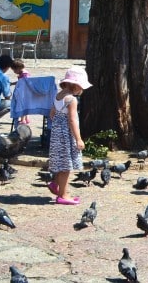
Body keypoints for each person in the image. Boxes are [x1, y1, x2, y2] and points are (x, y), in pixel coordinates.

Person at [47, 66, 90, 205]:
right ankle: (63, 195)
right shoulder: (71, 100)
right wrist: (78, 139)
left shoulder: (58, 95)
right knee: (66, 166)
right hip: (66, 136)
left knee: (60, 162)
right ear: (75, 85)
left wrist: (57, 125)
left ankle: (55, 184)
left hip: (56, 135)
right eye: (81, 87)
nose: (82, 91)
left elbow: (52, 114)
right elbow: (72, 120)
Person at [11, 59, 32, 125]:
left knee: (22, 106)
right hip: (26, 92)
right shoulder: (23, 73)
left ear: (19, 68)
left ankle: (23, 120)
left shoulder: (24, 74)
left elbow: (22, 82)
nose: (14, 72)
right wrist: (13, 83)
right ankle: (26, 118)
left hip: (24, 93)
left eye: (14, 70)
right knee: (25, 106)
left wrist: (13, 83)